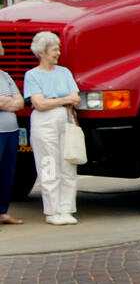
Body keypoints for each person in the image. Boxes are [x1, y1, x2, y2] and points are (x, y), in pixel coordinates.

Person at [23, 31, 80, 224]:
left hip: (66, 121)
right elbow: (39, 104)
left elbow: (77, 98)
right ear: (42, 53)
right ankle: (52, 211)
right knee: (48, 165)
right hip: (44, 123)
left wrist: (55, 100)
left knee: (68, 164)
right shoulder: (32, 75)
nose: (58, 53)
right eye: (54, 50)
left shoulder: (64, 72)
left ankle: (66, 209)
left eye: (58, 49)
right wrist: (64, 99)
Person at [0, 54, 24, 225]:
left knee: (7, 174)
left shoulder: (5, 75)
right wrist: (10, 101)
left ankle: (3, 212)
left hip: (11, 132)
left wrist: (5, 102)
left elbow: (20, 102)